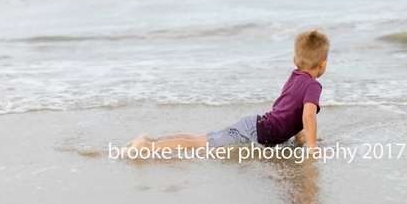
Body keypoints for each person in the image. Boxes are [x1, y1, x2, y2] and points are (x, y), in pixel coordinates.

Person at [127, 30, 330, 152]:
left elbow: (289, 109)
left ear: (295, 60)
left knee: (201, 138)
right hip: (256, 132)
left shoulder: (295, 76)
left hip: (256, 125)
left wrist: (300, 136)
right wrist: (312, 149)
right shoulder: (313, 85)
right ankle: (148, 147)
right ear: (323, 64)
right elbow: (308, 116)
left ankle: (151, 139)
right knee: (201, 144)